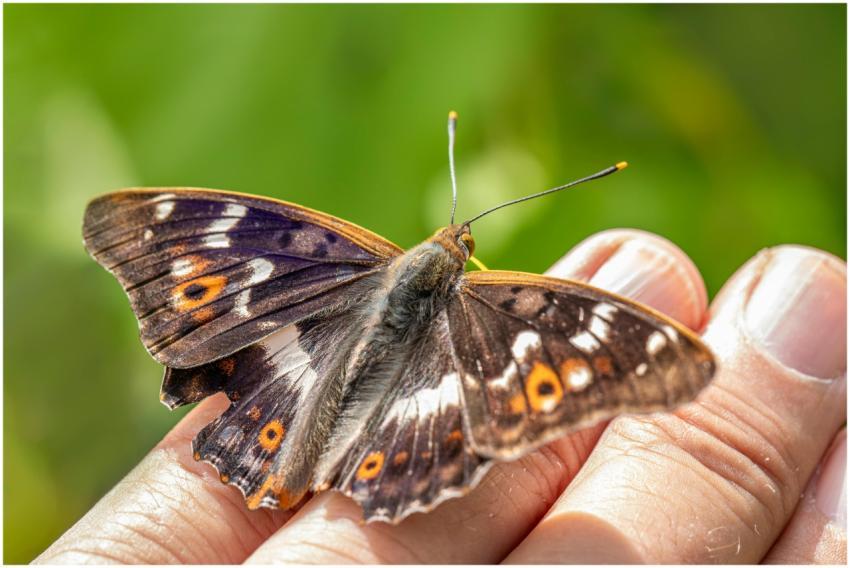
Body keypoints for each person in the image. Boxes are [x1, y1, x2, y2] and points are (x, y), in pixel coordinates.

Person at [35, 229, 846, 564]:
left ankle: (291, 453)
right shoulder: (516, 305)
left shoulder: (318, 251)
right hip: (353, 391)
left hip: (294, 374)